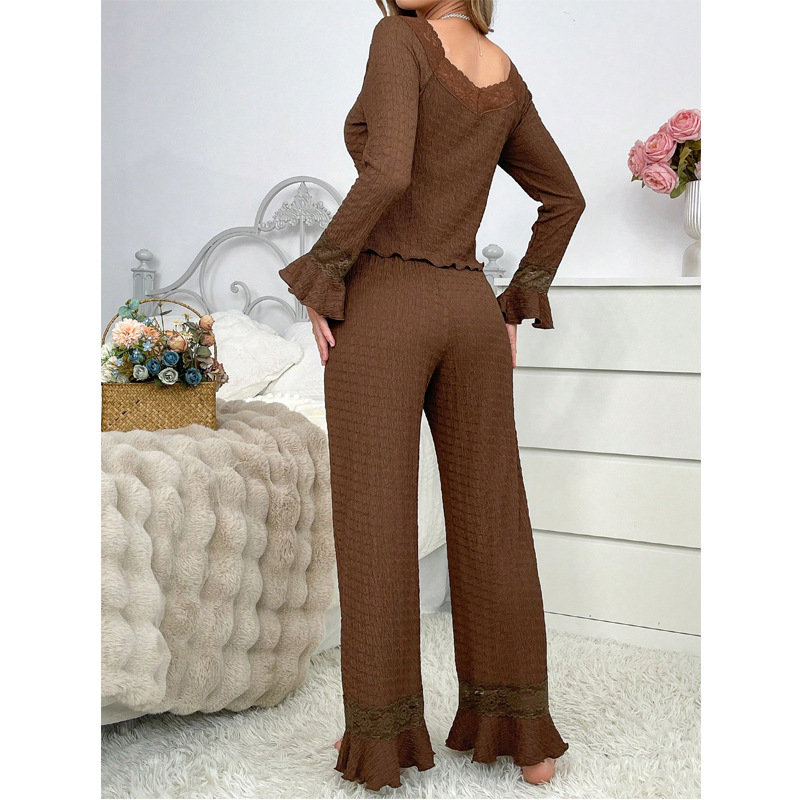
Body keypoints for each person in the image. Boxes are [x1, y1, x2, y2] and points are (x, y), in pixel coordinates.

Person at [278, 0, 585, 791]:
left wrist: (324, 272)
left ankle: (382, 744)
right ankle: (528, 740)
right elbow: (566, 198)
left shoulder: (400, 37)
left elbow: (389, 171)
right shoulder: (504, 71)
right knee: (493, 519)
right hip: (469, 310)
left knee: (375, 522)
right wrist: (515, 301)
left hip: (385, 302)